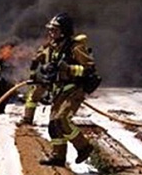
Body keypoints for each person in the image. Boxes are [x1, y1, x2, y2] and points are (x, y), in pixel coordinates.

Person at [34, 13, 101, 167]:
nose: (51, 33)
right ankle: (58, 157)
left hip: (73, 90)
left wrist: (68, 68)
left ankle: (84, 147)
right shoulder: (54, 47)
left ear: (64, 31)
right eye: (50, 30)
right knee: (53, 125)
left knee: (62, 120)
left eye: (55, 30)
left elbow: (89, 70)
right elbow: (52, 68)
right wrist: (46, 71)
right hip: (59, 91)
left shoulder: (75, 47)